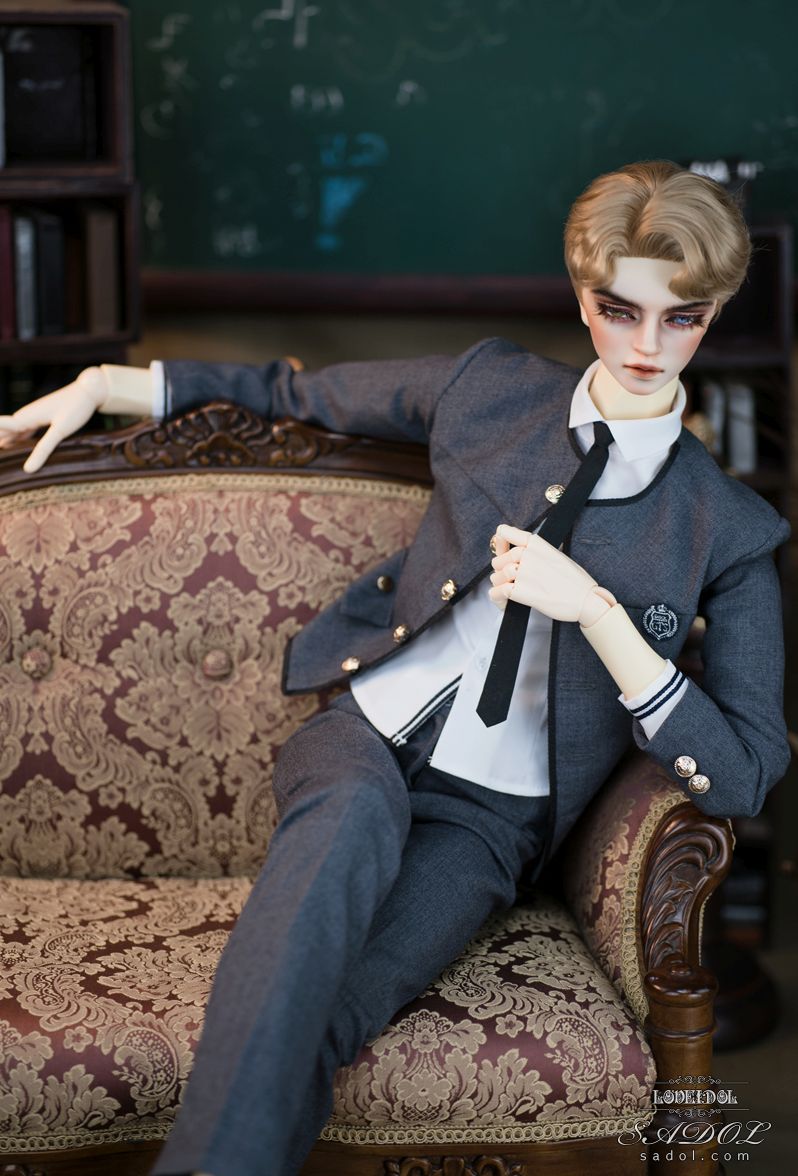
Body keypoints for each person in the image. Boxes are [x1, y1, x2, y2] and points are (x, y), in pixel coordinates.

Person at [0, 161, 790, 1176]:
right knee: (346, 821)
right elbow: (295, 392)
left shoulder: (727, 527)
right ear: (580, 294)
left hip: (492, 823)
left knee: (332, 1012)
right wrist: (107, 386)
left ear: (715, 312)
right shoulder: (490, 389)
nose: (646, 345)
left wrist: (600, 614)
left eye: (681, 318)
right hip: (365, 736)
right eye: (618, 310)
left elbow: (747, 771)